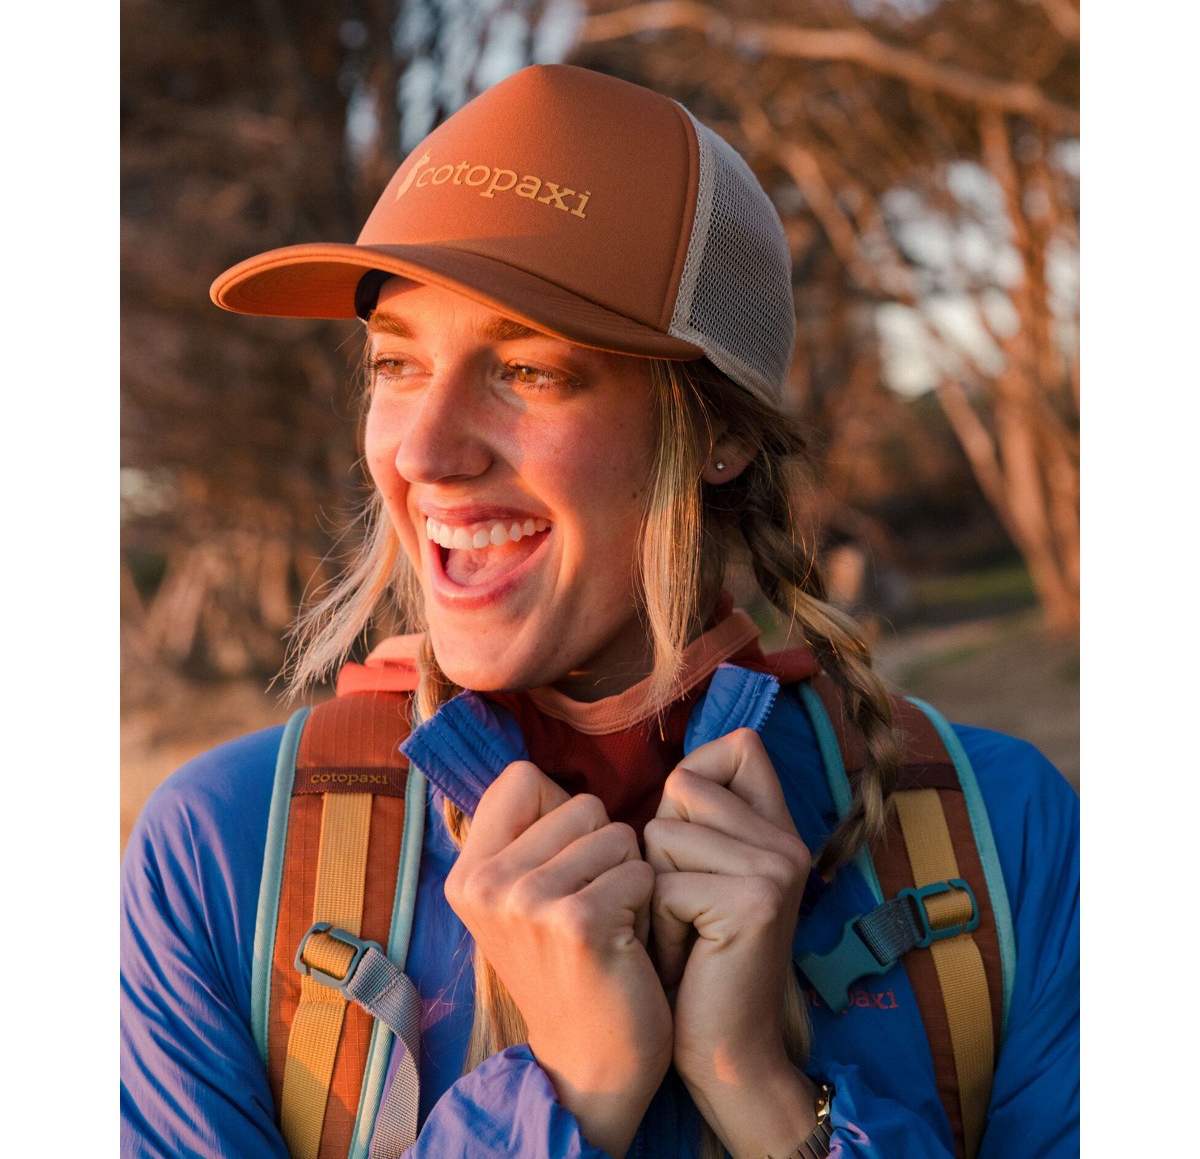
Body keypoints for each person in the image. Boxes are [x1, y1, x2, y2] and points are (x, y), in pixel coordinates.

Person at [120, 64, 1079, 1159]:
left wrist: (764, 1094)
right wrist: (572, 1086)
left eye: (527, 370)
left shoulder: (1001, 840)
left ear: (718, 433)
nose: (424, 452)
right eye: (397, 362)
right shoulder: (227, 855)